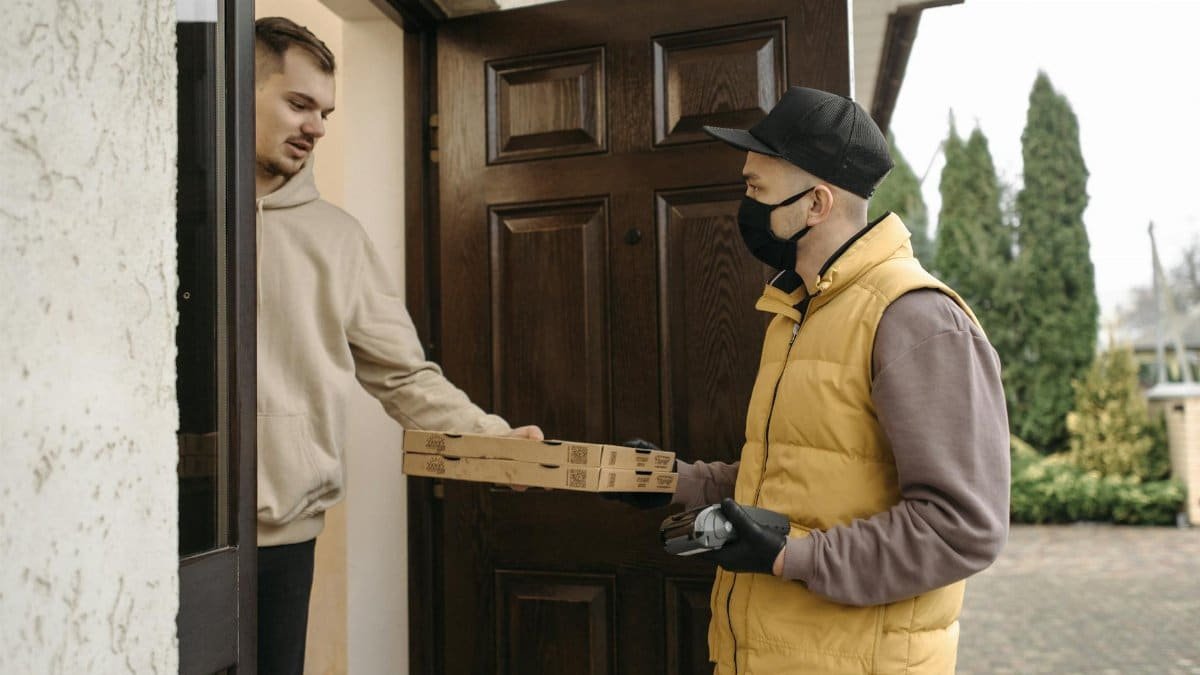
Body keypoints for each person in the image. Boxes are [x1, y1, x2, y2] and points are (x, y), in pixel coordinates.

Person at [624, 87, 1010, 674]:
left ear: (816, 204)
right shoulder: (799, 311)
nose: (744, 204)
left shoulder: (915, 318)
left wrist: (791, 557)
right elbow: (792, 475)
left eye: (756, 189)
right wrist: (671, 481)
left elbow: (962, 528)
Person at [252, 17, 542, 675]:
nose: (317, 127)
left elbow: (405, 376)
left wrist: (492, 442)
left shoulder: (338, 238)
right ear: (241, 89)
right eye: (299, 104)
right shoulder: (168, 213)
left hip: (283, 542)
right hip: (164, 522)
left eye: (325, 113)